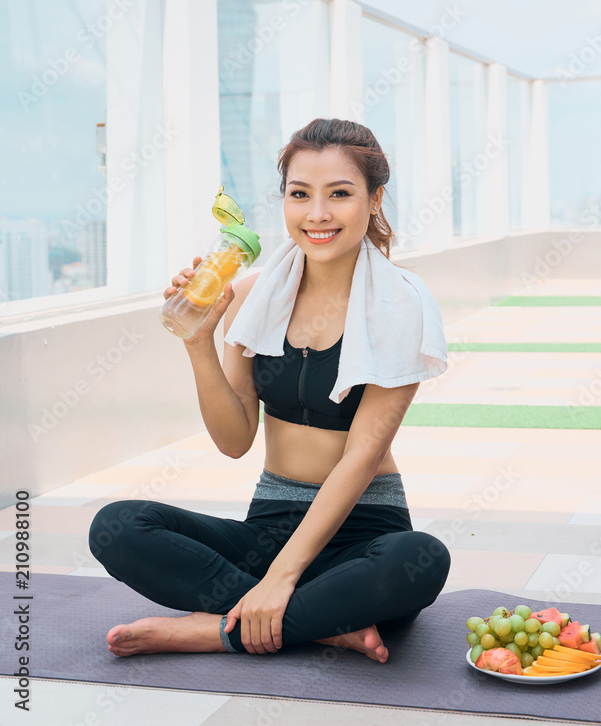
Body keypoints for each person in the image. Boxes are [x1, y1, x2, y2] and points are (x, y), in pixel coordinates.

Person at [89, 118, 450, 662]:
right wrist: (198, 340)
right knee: (117, 525)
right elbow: (234, 440)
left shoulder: (400, 304)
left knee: (421, 558)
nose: (318, 214)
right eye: (299, 194)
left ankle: (213, 631)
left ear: (375, 200)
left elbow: (361, 459)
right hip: (270, 523)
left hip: (362, 529)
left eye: (340, 194)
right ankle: (324, 625)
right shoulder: (255, 294)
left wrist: (280, 580)